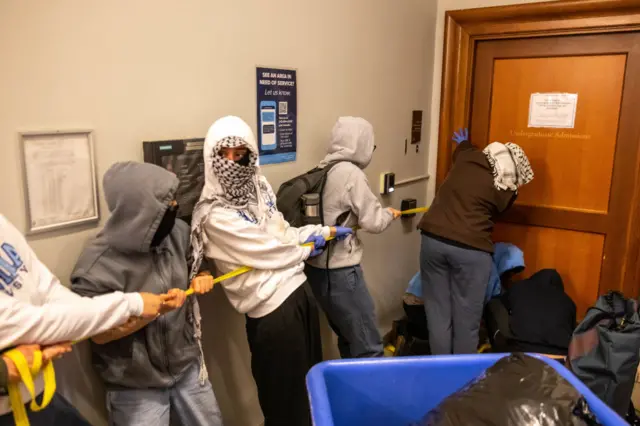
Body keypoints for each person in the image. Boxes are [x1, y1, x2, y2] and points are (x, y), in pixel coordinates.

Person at [189, 116, 352, 426]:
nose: (233, 162)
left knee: (307, 391)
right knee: (283, 402)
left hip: (299, 295)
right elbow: (267, 249)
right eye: (225, 155)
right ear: (211, 158)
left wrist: (319, 231)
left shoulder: (258, 186)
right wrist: (304, 249)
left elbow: (279, 230)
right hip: (272, 312)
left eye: (241, 154)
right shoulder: (214, 214)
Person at [70, 162, 223, 426]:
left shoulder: (178, 234)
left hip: (186, 364)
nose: (175, 206)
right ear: (139, 210)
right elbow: (98, 335)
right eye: (166, 203)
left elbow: (197, 262)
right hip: (134, 384)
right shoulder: (96, 265)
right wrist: (148, 313)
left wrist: (202, 277)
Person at [0, 213, 168, 425]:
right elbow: (33, 322)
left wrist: (99, 321)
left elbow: (46, 288)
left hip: (38, 394)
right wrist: (131, 305)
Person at [417, 128, 533, 355]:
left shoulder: (468, 157)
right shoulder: (506, 188)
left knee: (438, 314)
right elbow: (501, 209)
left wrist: (463, 140)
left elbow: (463, 148)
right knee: (466, 320)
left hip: (432, 240)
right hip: (470, 250)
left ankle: (439, 371)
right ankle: (461, 380)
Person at [304, 116, 401, 358]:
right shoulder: (351, 174)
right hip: (342, 273)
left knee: (348, 338)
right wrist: (389, 214)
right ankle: (373, 396)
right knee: (369, 347)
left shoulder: (321, 169)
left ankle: (350, 394)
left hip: (316, 271)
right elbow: (373, 222)